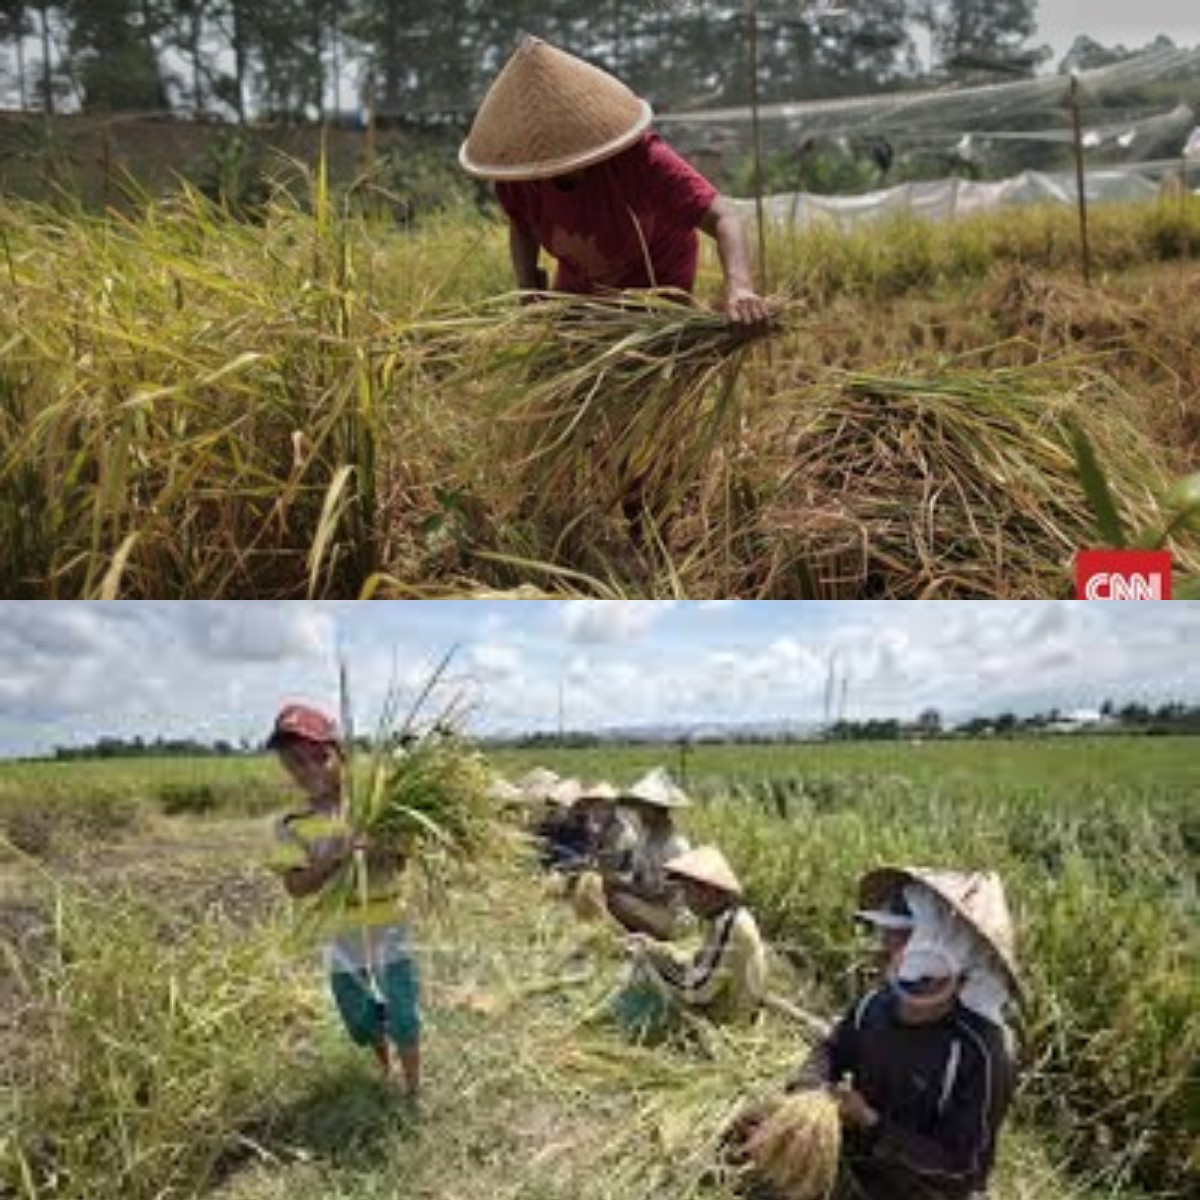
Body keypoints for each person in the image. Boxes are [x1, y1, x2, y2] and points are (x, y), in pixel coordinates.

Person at [459, 36, 770, 329]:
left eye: (560, 157)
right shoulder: (518, 173)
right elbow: (523, 226)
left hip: (656, 275)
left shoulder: (641, 160)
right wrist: (528, 292)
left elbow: (725, 216)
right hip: (583, 276)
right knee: (564, 364)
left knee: (643, 368)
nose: (547, 172)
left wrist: (740, 288)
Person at [784, 867, 1021, 1200]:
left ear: (939, 946)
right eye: (885, 934)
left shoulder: (983, 1052)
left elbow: (962, 1169)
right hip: (860, 1164)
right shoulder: (875, 1005)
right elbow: (832, 1048)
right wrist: (808, 1089)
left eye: (897, 937)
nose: (881, 949)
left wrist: (871, 1123)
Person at [266, 703, 422, 1101]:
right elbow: (295, 887)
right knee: (361, 1019)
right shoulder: (291, 827)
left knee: (403, 1013)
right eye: (295, 762)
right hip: (340, 933)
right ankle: (384, 1068)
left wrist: (381, 844)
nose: (308, 769)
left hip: (389, 924)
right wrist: (331, 859)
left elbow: (401, 860)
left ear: (339, 755)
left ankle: (412, 1089)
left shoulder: (375, 808)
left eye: (318, 756)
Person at [615, 845, 767, 1037]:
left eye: (688, 891)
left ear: (708, 891)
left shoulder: (729, 925)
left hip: (726, 1027)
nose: (685, 899)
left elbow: (698, 992)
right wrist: (654, 948)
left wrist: (651, 965)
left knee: (641, 973)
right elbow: (699, 963)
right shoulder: (723, 918)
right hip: (720, 1010)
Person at [597, 768, 693, 939]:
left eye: (642, 808)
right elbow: (638, 878)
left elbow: (664, 896)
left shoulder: (677, 847)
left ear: (655, 809)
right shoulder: (646, 839)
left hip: (672, 916)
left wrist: (622, 886)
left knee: (618, 900)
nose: (638, 813)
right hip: (650, 906)